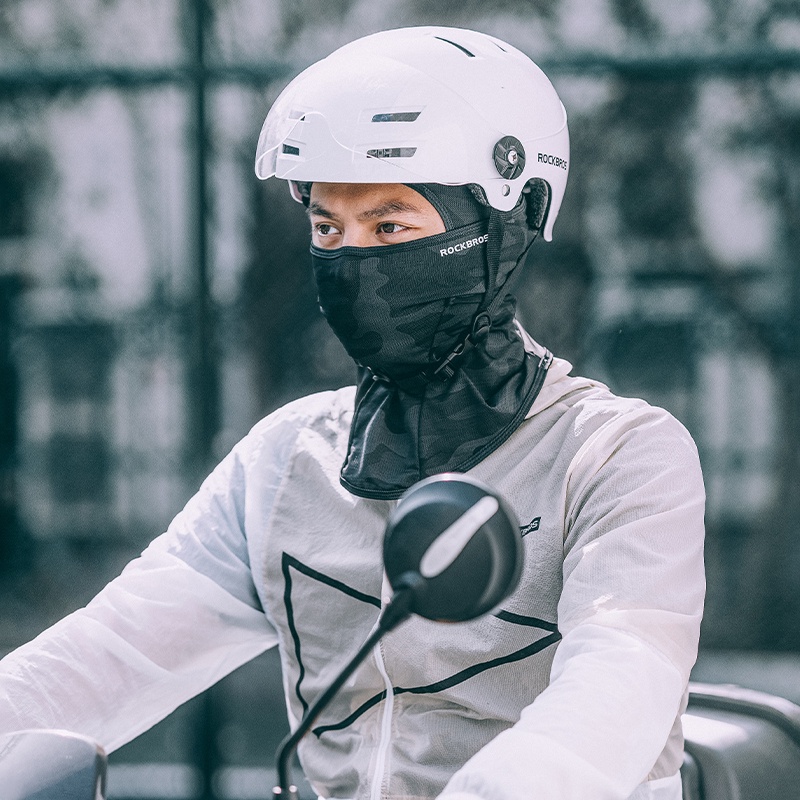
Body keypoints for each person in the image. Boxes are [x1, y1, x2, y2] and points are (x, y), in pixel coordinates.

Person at [0, 26, 705, 800]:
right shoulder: (284, 463)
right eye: (328, 228)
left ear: (513, 218)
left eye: (391, 225)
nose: (353, 259)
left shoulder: (617, 456)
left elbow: (621, 681)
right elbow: (113, 652)